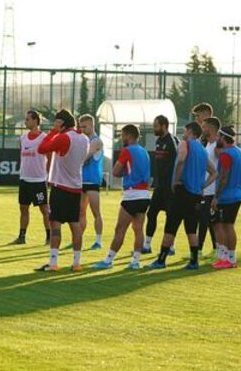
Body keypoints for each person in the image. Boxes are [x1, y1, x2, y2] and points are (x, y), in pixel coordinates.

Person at [147, 122, 217, 270]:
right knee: (191, 229)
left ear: (190, 131)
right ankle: (193, 261)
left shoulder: (185, 144)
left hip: (182, 192)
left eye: (185, 130)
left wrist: (175, 180)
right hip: (196, 195)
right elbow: (214, 173)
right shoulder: (203, 151)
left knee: (171, 226)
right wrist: (202, 186)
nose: (183, 133)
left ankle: (161, 260)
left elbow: (180, 160)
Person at [35, 109, 89, 272]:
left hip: (60, 186)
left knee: (55, 224)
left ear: (62, 123)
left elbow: (42, 148)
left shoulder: (64, 137)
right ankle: (77, 262)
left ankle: (53, 263)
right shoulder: (84, 138)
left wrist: (53, 131)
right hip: (76, 187)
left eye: (57, 122)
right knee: (75, 224)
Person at [93, 124, 151, 270]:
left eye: (122, 135)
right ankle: (136, 262)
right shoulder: (145, 152)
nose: (121, 138)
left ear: (128, 136)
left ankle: (108, 260)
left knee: (120, 229)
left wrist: (125, 171)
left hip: (131, 195)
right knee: (138, 229)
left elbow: (115, 171)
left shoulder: (127, 151)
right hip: (145, 194)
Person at [13, 110, 51, 245]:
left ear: (35, 121)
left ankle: (49, 237)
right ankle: (22, 236)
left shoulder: (44, 138)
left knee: (44, 209)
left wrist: (48, 176)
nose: (26, 121)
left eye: (28, 119)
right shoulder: (22, 138)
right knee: (23, 208)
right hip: (24, 179)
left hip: (39, 181)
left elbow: (49, 158)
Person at [211, 126, 241, 269]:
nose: (217, 139)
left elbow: (224, 177)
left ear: (224, 138)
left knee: (225, 226)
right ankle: (231, 259)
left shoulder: (226, 154)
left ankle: (225, 259)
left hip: (227, 196)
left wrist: (216, 197)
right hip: (238, 194)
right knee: (229, 225)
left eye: (219, 136)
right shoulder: (239, 152)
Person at [143, 115, 177, 254]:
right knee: (151, 214)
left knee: (171, 217)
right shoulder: (158, 141)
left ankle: (170, 247)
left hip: (170, 188)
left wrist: (175, 183)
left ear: (164, 126)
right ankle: (147, 245)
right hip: (159, 187)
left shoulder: (172, 141)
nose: (154, 128)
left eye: (156, 126)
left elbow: (177, 163)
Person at [78, 114, 104, 250]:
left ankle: (98, 241)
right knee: (81, 212)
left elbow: (86, 157)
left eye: (84, 126)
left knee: (96, 213)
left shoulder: (96, 141)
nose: (82, 129)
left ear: (92, 125)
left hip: (93, 182)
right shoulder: (84, 141)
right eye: (80, 127)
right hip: (81, 181)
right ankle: (78, 238)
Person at [198, 117, 221, 253]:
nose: (202, 129)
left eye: (204, 126)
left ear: (211, 128)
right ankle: (215, 248)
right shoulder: (208, 145)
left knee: (204, 219)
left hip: (213, 189)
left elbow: (221, 169)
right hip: (207, 189)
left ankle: (198, 249)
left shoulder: (217, 146)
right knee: (210, 221)